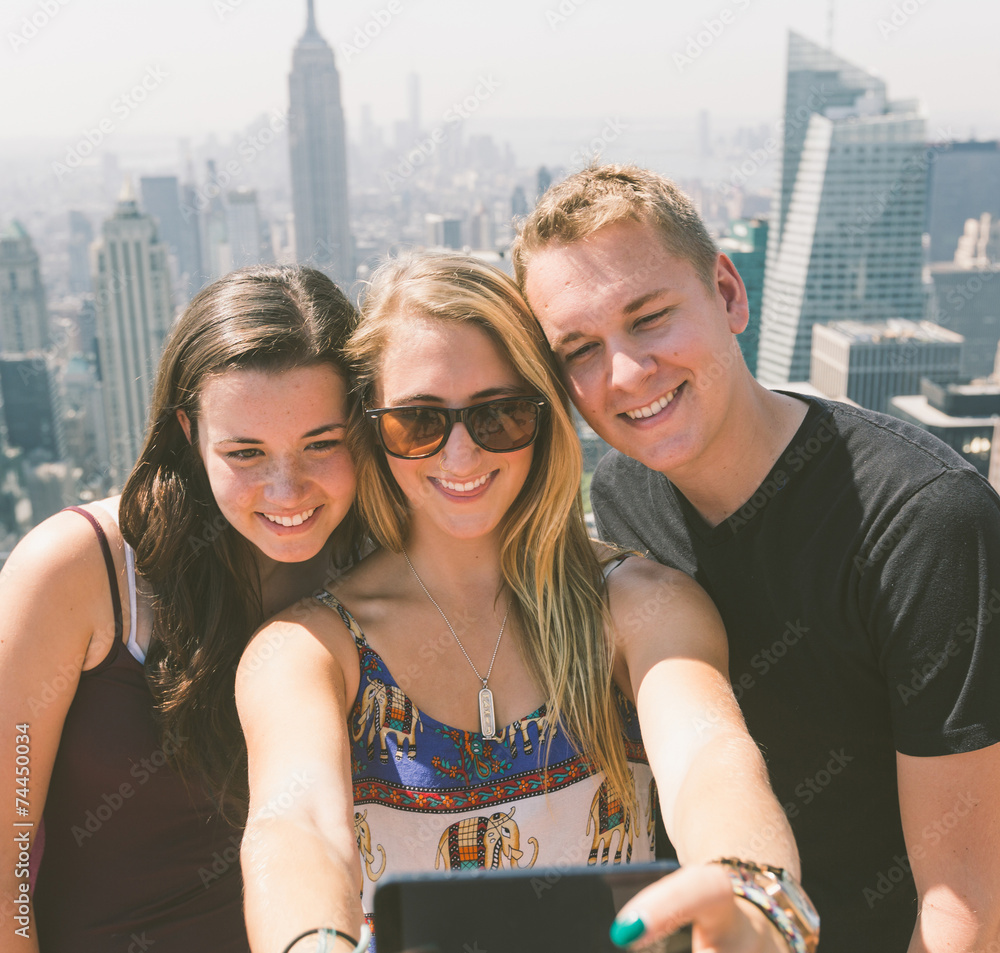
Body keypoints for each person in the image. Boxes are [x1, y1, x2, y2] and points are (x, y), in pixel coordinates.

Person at [237, 253, 819, 953]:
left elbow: (711, 761)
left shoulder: (642, 606)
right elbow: (294, 822)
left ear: (543, 418)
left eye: (500, 414)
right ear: (372, 426)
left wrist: (754, 903)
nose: (459, 456)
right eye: (418, 421)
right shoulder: (308, 650)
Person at [511, 163, 1000, 952]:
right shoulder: (629, 488)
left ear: (729, 295)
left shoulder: (925, 522)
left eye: (650, 318)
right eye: (580, 349)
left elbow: (966, 904)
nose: (627, 374)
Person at [0, 265, 361, 953]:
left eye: (321, 442)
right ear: (189, 435)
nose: (288, 490)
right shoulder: (78, 570)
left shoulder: (378, 567)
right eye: (245, 452)